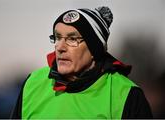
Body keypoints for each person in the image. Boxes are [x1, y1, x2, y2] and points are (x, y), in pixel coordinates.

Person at [11, 6, 153, 119]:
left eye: (72, 39)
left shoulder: (126, 94)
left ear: (94, 49)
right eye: (58, 37)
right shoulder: (32, 84)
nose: (60, 47)